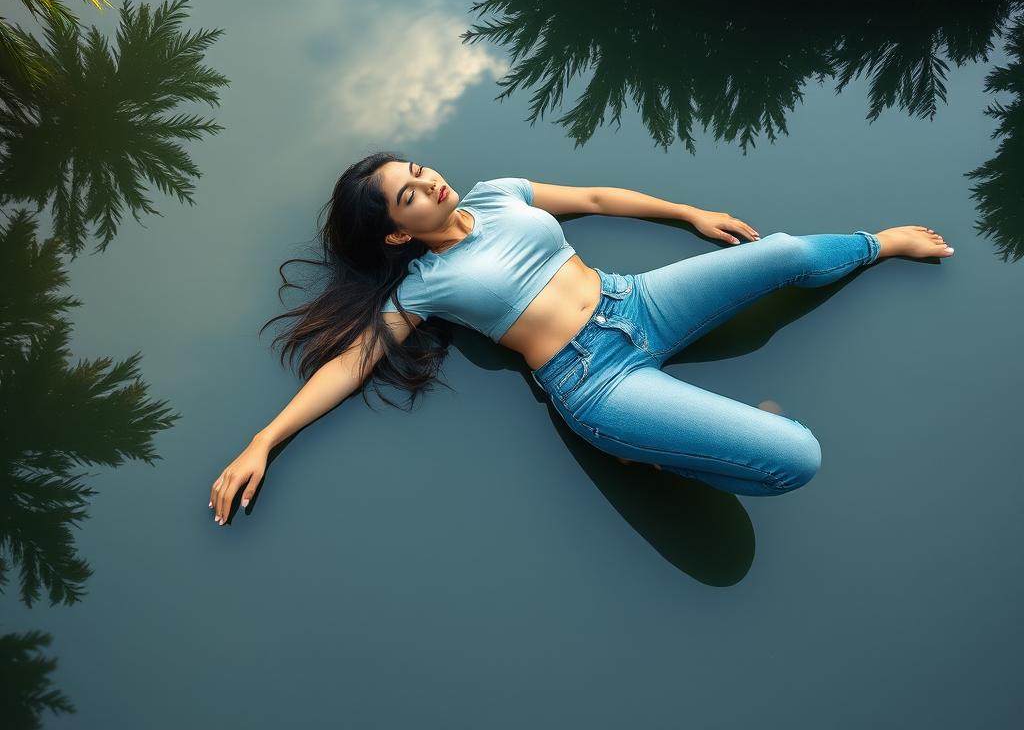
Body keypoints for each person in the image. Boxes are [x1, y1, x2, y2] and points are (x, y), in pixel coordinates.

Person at [208, 151, 954, 524]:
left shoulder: (498, 194)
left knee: (786, 252)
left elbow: (594, 199)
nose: (429, 182)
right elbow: (350, 363)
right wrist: (262, 441)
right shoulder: (421, 289)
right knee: (799, 457)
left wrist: (687, 213)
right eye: (409, 195)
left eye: (417, 168)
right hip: (595, 382)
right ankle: (649, 448)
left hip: (638, 302)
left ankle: (879, 243)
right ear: (399, 231)